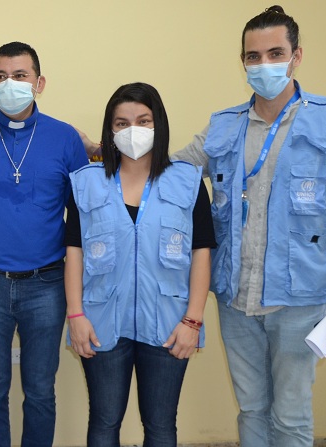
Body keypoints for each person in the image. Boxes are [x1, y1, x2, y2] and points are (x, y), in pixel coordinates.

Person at [171, 6, 326, 446]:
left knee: (290, 415)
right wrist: (103, 149)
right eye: (253, 56)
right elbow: (168, 171)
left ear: (296, 57)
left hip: (300, 301)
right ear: (243, 62)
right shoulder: (222, 126)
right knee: (252, 409)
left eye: (275, 53)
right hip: (236, 298)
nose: (263, 64)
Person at [0, 41, 89, 446]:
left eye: (20, 76)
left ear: (39, 83)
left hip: (47, 284)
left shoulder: (64, 138)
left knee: (41, 391)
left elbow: (83, 217)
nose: (10, 83)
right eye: (1, 76)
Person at [64, 83, 215, 446]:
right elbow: (74, 252)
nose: (133, 130)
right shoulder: (87, 183)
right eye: (121, 123)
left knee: (161, 426)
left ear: (158, 124)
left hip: (169, 323)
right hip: (100, 322)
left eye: (143, 120)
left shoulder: (187, 181)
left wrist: (193, 321)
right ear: (110, 130)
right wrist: (75, 317)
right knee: (103, 422)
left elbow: (202, 253)